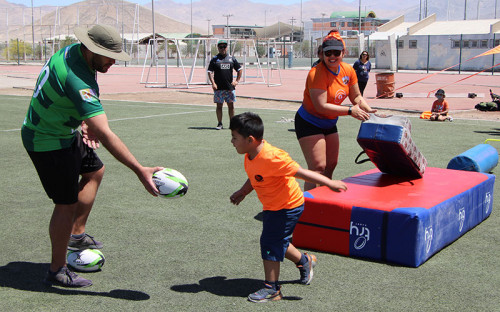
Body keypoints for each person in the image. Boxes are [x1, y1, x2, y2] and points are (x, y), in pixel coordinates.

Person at [21, 24, 163, 288]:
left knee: (95, 171)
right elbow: (106, 134)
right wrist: (139, 169)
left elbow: (75, 96)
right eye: (108, 56)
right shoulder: (77, 77)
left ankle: (76, 235)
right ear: (90, 50)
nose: (112, 62)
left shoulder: (74, 53)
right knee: (65, 203)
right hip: (47, 139)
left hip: (62, 129)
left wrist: (85, 120)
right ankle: (57, 270)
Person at [229, 112, 347, 303]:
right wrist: (243, 191)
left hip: (287, 206)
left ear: (250, 139)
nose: (232, 141)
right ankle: (304, 261)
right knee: (278, 241)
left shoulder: (273, 157)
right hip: (272, 206)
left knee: (270, 242)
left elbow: (302, 173)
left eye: (235, 138)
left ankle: (272, 289)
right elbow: (257, 176)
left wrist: (329, 183)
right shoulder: (251, 154)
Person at [294, 30, 376, 191]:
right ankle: (310, 207)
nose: (332, 56)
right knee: (318, 167)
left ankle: (323, 203)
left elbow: (357, 96)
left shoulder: (348, 70)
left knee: (331, 165)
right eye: (328, 53)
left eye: (336, 52)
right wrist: (350, 111)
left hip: (329, 122)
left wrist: (370, 110)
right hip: (309, 121)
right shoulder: (316, 73)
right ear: (322, 54)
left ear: (343, 53)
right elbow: (321, 106)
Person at [207, 40, 243, 130]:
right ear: (218, 48)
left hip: (230, 88)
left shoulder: (232, 59)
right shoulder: (215, 59)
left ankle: (232, 124)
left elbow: (239, 69)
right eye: (221, 47)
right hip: (218, 88)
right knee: (219, 106)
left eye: (224, 47)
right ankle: (220, 123)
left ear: (227, 47)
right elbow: (209, 72)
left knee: (231, 106)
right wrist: (213, 83)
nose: (223, 48)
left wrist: (237, 81)